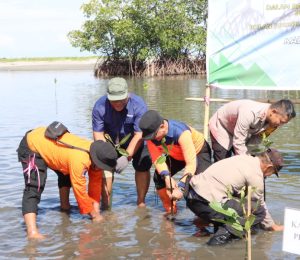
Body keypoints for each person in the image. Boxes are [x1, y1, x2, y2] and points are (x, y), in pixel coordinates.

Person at [17, 123, 118, 239]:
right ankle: (32, 233)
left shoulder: (99, 154)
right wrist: (94, 216)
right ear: (96, 160)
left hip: (57, 150)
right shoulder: (80, 160)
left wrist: (96, 212)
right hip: (33, 144)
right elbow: (79, 190)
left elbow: (94, 185)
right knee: (34, 188)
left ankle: (65, 208)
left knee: (66, 174)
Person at [170, 148, 284, 245]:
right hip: (205, 201)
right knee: (258, 211)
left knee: (237, 204)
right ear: (269, 167)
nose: (268, 176)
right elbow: (258, 204)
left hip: (191, 195)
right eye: (272, 173)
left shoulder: (245, 158)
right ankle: (218, 240)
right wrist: (272, 226)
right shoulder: (256, 174)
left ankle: (203, 220)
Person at [92, 77, 152, 209]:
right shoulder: (99, 106)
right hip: (110, 141)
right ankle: (106, 206)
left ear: (128, 94)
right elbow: (98, 134)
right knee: (105, 165)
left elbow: (139, 134)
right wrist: (105, 155)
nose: (118, 103)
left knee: (143, 164)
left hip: (136, 140)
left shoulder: (138, 105)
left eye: (121, 99)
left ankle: (141, 202)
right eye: (114, 100)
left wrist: (127, 156)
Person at [139, 110, 212, 214]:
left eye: (154, 135)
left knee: (200, 184)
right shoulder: (151, 137)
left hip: (197, 151)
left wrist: (181, 187)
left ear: (162, 126)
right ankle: (170, 210)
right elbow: (157, 159)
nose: (153, 139)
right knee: (159, 177)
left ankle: (202, 217)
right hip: (176, 154)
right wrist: (167, 177)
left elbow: (191, 163)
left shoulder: (181, 132)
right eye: (150, 137)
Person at [209, 99, 296, 162]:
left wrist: (251, 157)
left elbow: (257, 139)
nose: (280, 125)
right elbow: (238, 141)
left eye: (284, 123)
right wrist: (246, 162)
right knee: (223, 163)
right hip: (222, 127)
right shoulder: (250, 113)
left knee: (249, 160)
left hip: (241, 132)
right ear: (273, 112)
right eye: (281, 121)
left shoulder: (274, 124)